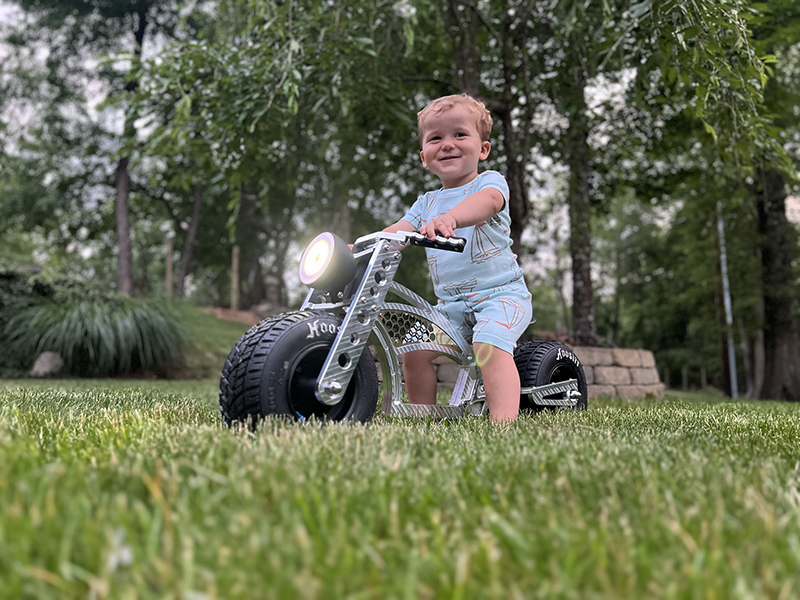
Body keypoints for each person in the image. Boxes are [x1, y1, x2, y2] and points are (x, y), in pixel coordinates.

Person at [383, 94, 532, 422]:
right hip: (450, 309)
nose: (447, 144)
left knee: (488, 344)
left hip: (502, 298)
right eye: (436, 138)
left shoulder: (489, 183)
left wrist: (451, 219)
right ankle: (423, 416)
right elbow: (398, 231)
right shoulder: (426, 203)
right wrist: (366, 246)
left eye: (459, 134)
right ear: (424, 157)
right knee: (414, 346)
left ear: (483, 149)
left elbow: (488, 203)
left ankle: (503, 424)